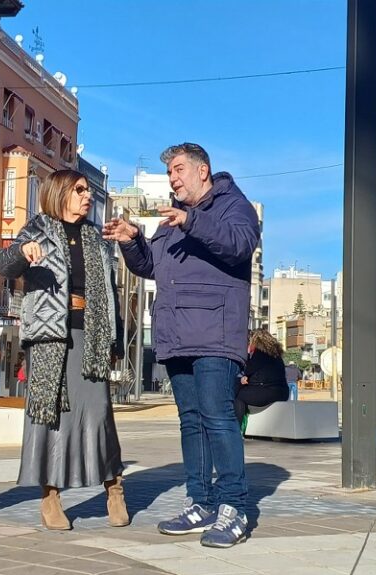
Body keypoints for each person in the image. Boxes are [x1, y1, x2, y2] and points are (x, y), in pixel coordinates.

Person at [102, 142, 260, 548]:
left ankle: (234, 507)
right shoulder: (173, 217)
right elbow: (152, 266)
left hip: (215, 332)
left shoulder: (232, 204)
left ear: (202, 170)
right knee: (191, 419)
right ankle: (201, 502)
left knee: (217, 416)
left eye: (178, 170)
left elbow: (239, 244)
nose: (173, 178)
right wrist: (131, 240)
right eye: (170, 172)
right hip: (177, 333)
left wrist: (191, 221)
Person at [0, 170, 128, 531]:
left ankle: (114, 487)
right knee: (50, 415)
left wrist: (114, 338)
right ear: (60, 193)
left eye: (87, 191)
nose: (87, 197)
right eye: (79, 191)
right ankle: (50, 496)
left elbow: (111, 292)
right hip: (50, 336)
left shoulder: (97, 240)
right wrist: (22, 251)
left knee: (98, 413)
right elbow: (3, 264)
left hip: (92, 334)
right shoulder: (35, 229)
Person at [235, 330, 290, 424]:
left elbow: (247, 370)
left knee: (238, 395)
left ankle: (236, 427)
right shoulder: (275, 354)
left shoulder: (260, 353)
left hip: (268, 392)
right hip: (283, 392)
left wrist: (247, 353)